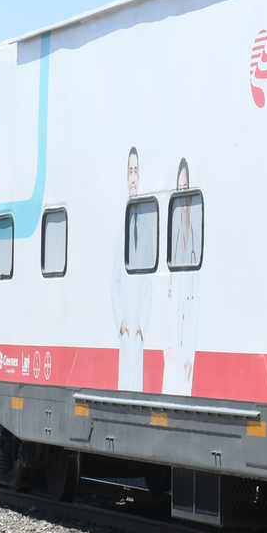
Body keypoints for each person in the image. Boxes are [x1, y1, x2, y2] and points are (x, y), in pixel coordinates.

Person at [111, 147, 151, 391]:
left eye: (136, 171)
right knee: (125, 383)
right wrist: (122, 323)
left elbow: (149, 285)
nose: (133, 177)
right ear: (126, 179)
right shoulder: (120, 232)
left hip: (137, 330)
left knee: (137, 385)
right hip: (127, 328)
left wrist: (141, 326)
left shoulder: (147, 228)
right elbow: (114, 282)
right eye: (130, 171)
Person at [164, 159, 200, 395]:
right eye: (180, 190)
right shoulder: (172, 239)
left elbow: (195, 306)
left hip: (185, 352)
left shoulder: (196, 241)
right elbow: (166, 302)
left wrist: (189, 354)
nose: (183, 198)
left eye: (187, 190)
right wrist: (168, 347)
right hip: (172, 349)